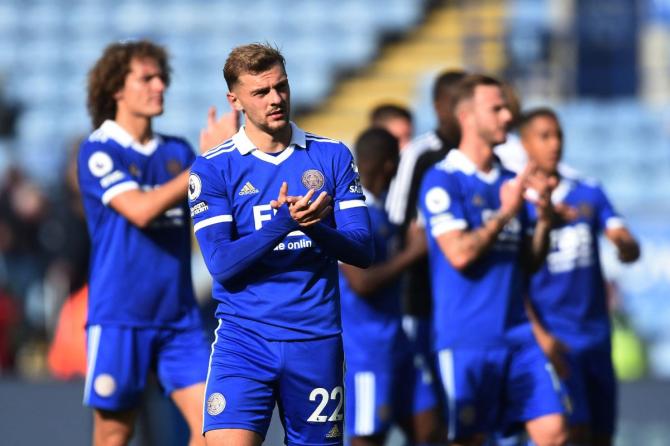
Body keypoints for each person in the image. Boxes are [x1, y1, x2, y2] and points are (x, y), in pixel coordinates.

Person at [189, 43, 373, 446]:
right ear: (234, 100)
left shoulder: (332, 156)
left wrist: (315, 228)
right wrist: (284, 224)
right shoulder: (214, 166)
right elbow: (220, 263)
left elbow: (363, 249)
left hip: (315, 340)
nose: (275, 99)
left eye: (281, 87)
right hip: (244, 339)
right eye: (261, 92)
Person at [78, 40, 237, 446]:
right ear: (116, 87)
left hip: (178, 319)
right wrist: (206, 163)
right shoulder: (99, 150)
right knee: (114, 434)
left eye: (161, 77)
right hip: (120, 316)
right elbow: (140, 210)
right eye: (146, 78)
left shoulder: (177, 151)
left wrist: (230, 159)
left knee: (214, 428)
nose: (159, 85)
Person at [418, 74, 568, 446]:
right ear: (467, 116)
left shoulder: (511, 180)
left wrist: (544, 221)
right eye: (497, 109)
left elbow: (529, 264)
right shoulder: (443, 180)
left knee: (554, 432)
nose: (507, 117)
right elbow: (459, 254)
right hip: (468, 339)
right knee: (470, 440)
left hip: (518, 336)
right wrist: (503, 214)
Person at [520, 107, 641, 446]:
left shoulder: (588, 191)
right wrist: (541, 337)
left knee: (602, 435)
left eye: (558, 135)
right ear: (525, 143)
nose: (554, 143)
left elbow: (623, 237)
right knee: (567, 432)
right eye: (544, 136)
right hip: (555, 337)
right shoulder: (517, 201)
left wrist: (625, 245)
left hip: (597, 336)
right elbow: (515, 280)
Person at [339, 128, 442, 446]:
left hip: (397, 341)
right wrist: (412, 253)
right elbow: (362, 283)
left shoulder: (380, 210)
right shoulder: (349, 213)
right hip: (368, 350)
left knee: (430, 429)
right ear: (388, 165)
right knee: (370, 437)